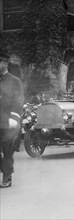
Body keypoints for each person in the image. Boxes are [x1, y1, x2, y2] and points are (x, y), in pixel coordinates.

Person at [0, 50, 24, 188]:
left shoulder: (15, 81)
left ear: (4, 63)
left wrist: (14, 117)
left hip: (8, 123)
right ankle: (7, 169)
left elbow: (19, 100)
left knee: (7, 152)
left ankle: (7, 177)